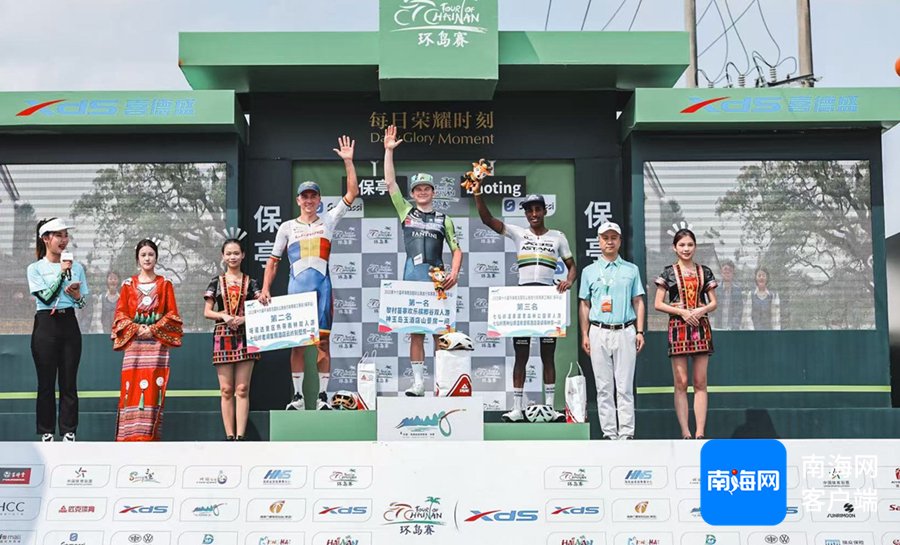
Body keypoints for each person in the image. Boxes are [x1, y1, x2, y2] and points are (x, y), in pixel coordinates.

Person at [259, 135, 359, 410]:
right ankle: (298, 396)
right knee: (298, 345)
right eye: (305, 196)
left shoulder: (329, 220)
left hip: (322, 290)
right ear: (298, 199)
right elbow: (274, 260)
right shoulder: (287, 227)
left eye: (314, 196)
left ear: (318, 199)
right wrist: (266, 288)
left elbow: (352, 193)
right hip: (297, 291)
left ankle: (323, 396)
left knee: (323, 343)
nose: (309, 200)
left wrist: (348, 161)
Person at [474, 191, 576, 422]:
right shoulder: (518, 233)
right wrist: (477, 193)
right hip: (522, 300)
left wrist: (568, 281)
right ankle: (517, 409)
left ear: (544, 211)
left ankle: (550, 408)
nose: (533, 214)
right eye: (529, 210)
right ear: (526, 213)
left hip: (547, 300)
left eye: (537, 209)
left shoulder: (558, 237)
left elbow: (572, 266)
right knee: (521, 356)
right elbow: (487, 220)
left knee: (548, 356)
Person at [382, 125, 462, 396]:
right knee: (416, 333)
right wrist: (388, 151)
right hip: (412, 279)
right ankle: (418, 384)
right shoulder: (406, 211)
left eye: (427, 188)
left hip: (437, 281)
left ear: (433, 191)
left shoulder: (444, 218)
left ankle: (441, 383)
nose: (422, 192)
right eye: (418, 188)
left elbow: (457, 249)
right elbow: (391, 184)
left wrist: (455, 272)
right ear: (413, 193)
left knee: (440, 334)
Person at [578, 222, 645, 440]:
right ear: (599, 240)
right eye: (605, 237)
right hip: (598, 331)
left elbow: (638, 301)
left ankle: (626, 433)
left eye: (613, 237)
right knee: (604, 386)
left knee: (624, 386)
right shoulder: (589, 271)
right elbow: (584, 304)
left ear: (620, 241)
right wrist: (585, 334)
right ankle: (609, 433)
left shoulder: (631, 269)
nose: (609, 241)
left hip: (625, 330)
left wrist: (640, 331)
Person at [112, 239, 183, 441]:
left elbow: (173, 315)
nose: (147, 258)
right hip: (134, 344)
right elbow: (120, 315)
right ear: (137, 259)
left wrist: (153, 329)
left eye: (151, 254)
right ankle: (128, 435)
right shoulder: (128, 284)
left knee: (152, 388)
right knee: (132, 387)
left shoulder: (165, 284)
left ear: (156, 258)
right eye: (143, 255)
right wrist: (137, 328)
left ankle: (149, 436)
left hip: (157, 345)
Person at [26, 218, 90, 442]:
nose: (64, 240)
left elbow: (81, 304)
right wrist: (62, 274)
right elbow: (44, 297)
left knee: (69, 381)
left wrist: (76, 297)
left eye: (66, 235)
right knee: (46, 382)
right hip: (45, 325)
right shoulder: (35, 268)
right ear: (46, 239)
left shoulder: (78, 267)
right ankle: (46, 432)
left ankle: (69, 431)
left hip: (69, 324)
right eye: (58, 235)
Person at [653, 228, 718, 440]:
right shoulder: (668, 273)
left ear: (695, 246)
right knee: (681, 382)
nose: (686, 249)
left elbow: (714, 302)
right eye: (682, 245)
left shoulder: (704, 271)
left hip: (700, 326)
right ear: (674, 247)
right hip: (678, 327)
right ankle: (685, 432)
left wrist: (700, 310)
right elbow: (657, 303)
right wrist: (681, 311)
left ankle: (700, 432)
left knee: (700, 381)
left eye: (690, 245)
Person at [204, 238, 260, 440]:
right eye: (228, 253)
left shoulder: (251, 283)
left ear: (243, 255)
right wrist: (225, 316)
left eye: (236, 253)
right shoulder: (216, 282)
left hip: (246, 334)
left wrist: (244, 318)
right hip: (223, 334)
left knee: (242, 388)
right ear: (223, 256)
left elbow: (262, 309)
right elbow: (207, 312)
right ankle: (229, 436)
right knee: (226, 389)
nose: (232, 257)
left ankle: (241, 436)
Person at [712, 260, 742, 330]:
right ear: (721, 273)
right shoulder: (715, 290)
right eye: (725, 269)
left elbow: (738, 312)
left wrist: (733, 327)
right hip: (717, 328)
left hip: (732, 330)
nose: (727, 272)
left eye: (730, 270)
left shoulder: (737, 291)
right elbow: (711, 312)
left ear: (733, 273)